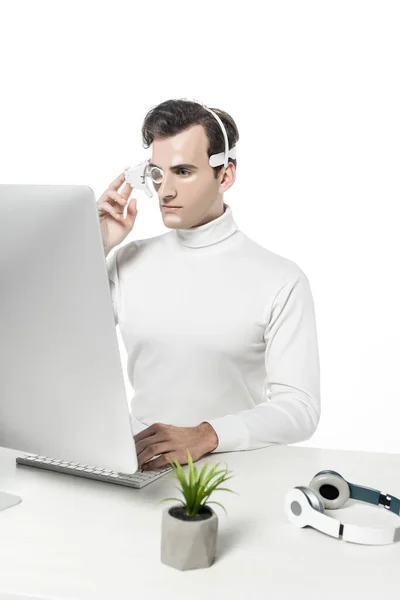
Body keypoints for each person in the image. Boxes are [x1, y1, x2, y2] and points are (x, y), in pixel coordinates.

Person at [97, 98, 321, 471]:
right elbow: (58, 350)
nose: (164, 191)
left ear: (225, 175)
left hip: (232, 470)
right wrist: (95, 245)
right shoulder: (125, 262)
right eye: (156, 173)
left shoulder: (281, 279)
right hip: (138, 464)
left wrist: (205, 435)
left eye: (183, 171)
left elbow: (301, 408)